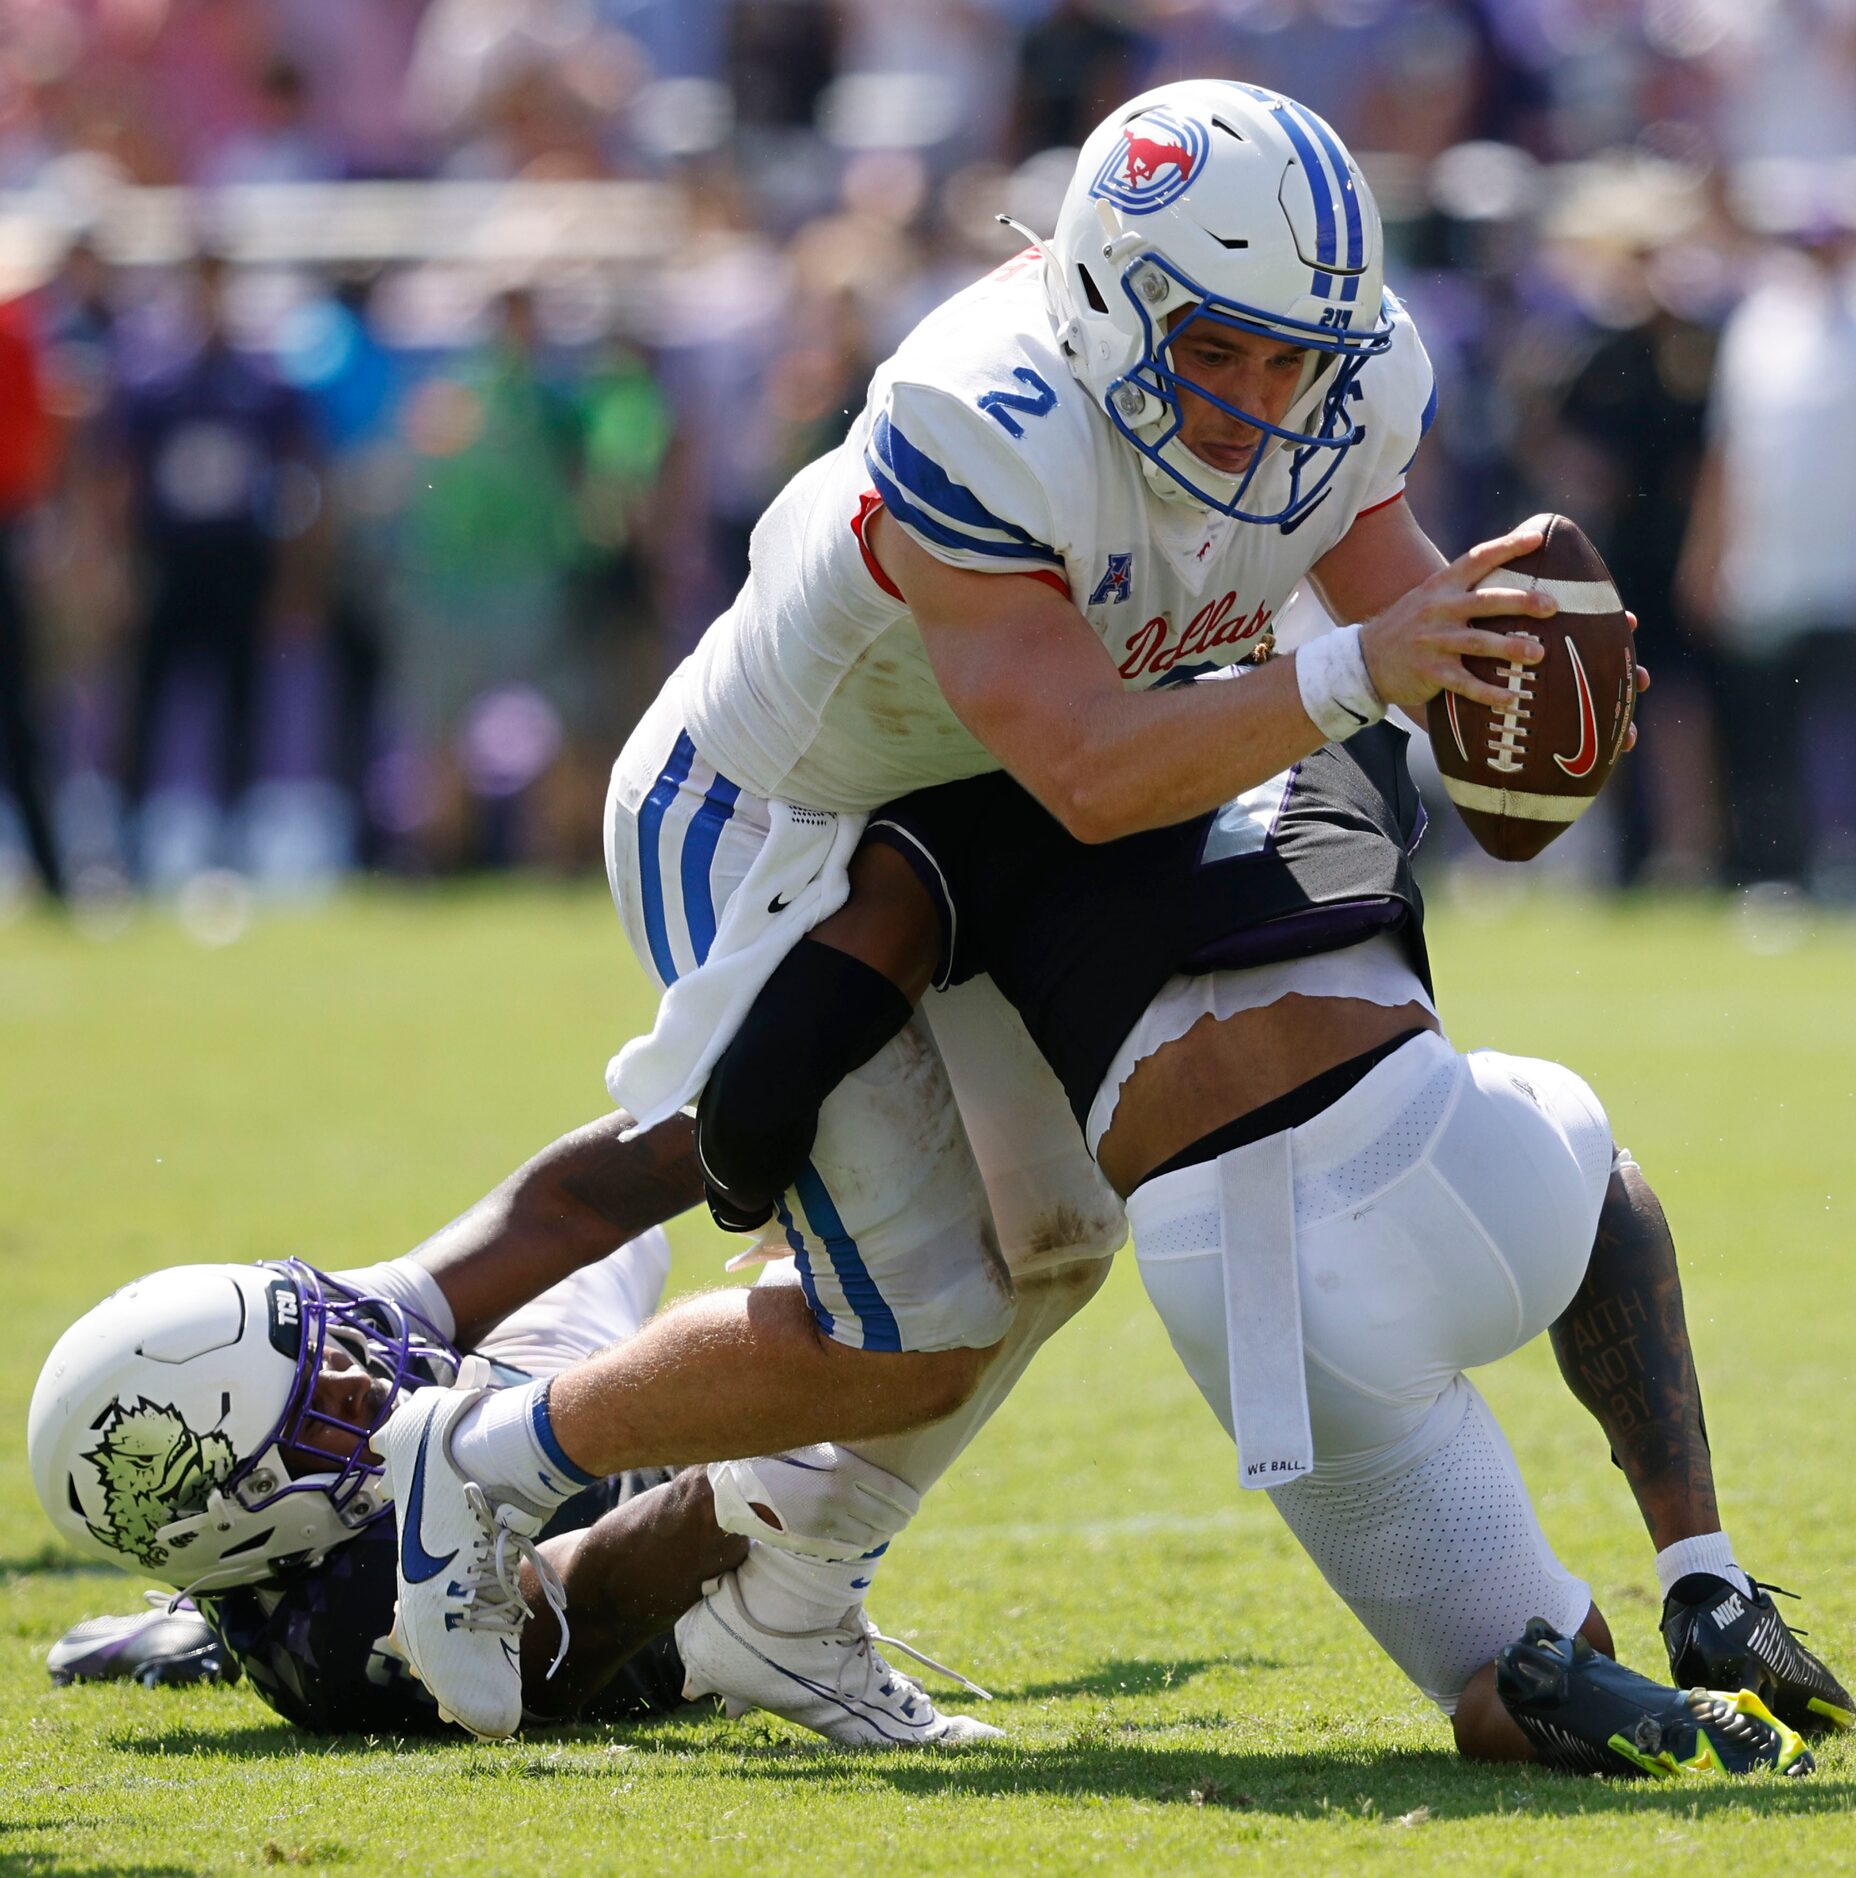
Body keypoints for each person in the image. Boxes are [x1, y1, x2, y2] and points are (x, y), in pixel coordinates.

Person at [370, 77, 1670, 1743]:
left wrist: (1503, 692)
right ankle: (476, 1454)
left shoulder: (1337, 381)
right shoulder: (979, 414)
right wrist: (1361, 673)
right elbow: (1088, 770)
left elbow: (1390, 607)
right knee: (910, 1324)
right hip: (772, 817)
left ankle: (785, 1607)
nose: (1263, 400)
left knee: (1051, 1245)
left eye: (1293, 356)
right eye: (1217, 350)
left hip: (965, 822)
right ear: (1105, 295)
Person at [691, 712, 1846, 1773]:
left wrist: (753, 1191)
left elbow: (756, 1095)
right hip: (1437, 1147)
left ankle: (1568, 1685)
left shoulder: (963, 798)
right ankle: (1704, 1581)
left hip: (1243, 1282)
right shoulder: (1312, 698)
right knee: (1597, 1167)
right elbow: (1500, 804)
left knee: (1516, 1667)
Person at [28, 1226, 741, 1734]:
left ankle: (201, 1635)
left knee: (628, 1233)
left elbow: (572, 1202)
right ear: (232, 1509)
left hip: (535, 1383)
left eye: (320, 1348)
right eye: (309, 1408)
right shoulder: (358, 1618)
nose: (360, 1374)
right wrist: (772, 1462)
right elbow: (612, 1591)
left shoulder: (284, 1512)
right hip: (656, 1541)